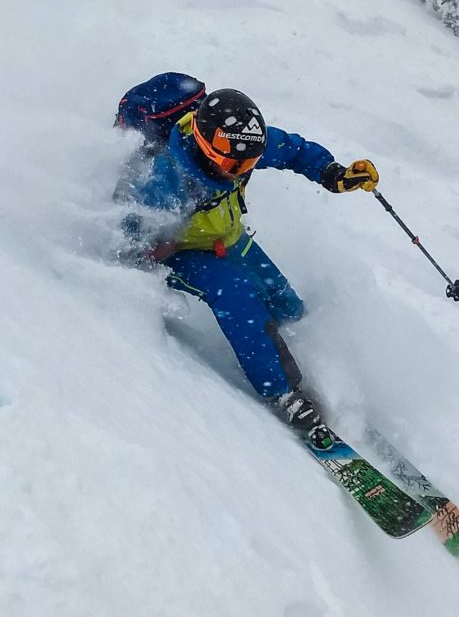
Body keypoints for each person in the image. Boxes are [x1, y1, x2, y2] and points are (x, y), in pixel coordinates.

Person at [116, 82, 378, 446]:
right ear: (206, 147)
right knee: (238, 298)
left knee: (285, 302)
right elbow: (127, 232)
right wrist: (141, 257)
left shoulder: (240, 143)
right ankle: (282, 393)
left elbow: (291, 150)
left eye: (249, 164)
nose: (239, 171)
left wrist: (333, 173)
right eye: (231, 164)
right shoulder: (168, 178)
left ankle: (305, 365)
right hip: (184, 252)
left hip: (228, 239)